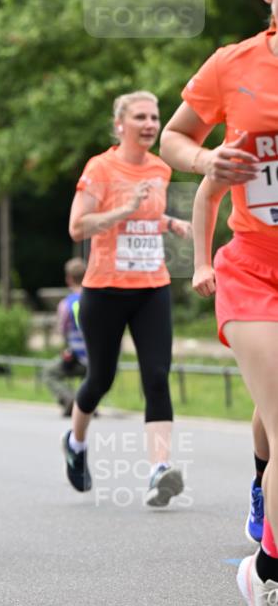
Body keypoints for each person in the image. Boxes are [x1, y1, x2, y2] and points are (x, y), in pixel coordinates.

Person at [162, 0, 278, 606]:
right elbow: (177, 140)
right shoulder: (232, 65)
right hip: (253, 273)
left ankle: (258, 567)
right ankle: (268, 586)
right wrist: (208, 158)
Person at [63, 91, 192, 505]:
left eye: (154, 117)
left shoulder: (160, 168)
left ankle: (159, 471)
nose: (150, 124)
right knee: (100, 378)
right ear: (120, 124)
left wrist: (170, 222)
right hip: (104, 290)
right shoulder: (100, 168)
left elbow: (148, 214)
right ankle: (76, 441)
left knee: (157, 375)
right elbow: (77, 227)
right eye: (140, 116)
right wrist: (123, 210)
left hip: (152, 286)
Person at [44, 257, 88, 416]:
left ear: (69, 279)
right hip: (98, 360)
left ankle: (69, 398)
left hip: (77, 359)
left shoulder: (66, 304)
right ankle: (88, 402)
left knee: (48, 372)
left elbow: (61, 331)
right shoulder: (98, 299)